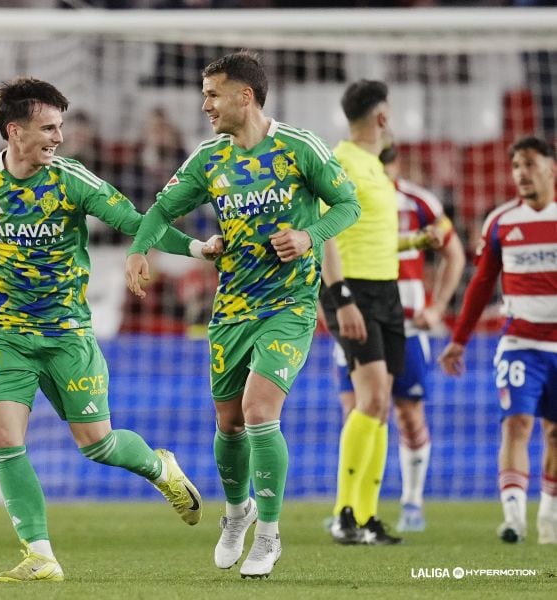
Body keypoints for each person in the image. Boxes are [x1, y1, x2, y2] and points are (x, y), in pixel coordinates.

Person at [0, 77, 215, 583]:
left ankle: (161, 468)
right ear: (15, 131)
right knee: (3, 434)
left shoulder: (72, 180)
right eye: (48, 127)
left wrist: (198, 250)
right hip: (7, 334)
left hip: (67, 332)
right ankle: (40, 553)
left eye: (60, 126)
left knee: (97, 443)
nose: (59, 137)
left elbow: (136, 221)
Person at [125, 51, 361, 578]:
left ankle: (271, 534)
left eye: (212, 93)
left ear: (244, 96)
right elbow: (160, 212)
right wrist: (142, 250)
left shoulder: (300, 148)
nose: (205, 104)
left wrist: (309, 236)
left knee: (258, 411)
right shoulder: (208, 159)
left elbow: (348, 205)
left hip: (289, 305)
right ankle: (238, 514)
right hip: (232, 306)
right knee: (228, 424)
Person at [333, 145, 465, 534]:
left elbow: (453, 253)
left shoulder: (418, 201)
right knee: (356, 410)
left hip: (405, 323)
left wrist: (438, 306)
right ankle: (352, 509)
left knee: (406, 413)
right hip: (357, 315)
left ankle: (411, 501)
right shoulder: (345, 196)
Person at [439, 136, 557, 545]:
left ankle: (549, 516)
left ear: (551, 168)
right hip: (520, 342)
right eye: (516, 166)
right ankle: (512, 518)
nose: (521, 173)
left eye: (529, 164)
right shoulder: (501, 221)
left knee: (554, 432)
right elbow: (482, 283)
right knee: (517, 423)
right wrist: (459, 340)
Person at [320, 80, 405, 546]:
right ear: (383, 117)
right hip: (354, 292)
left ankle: (369, 517)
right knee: (369, 399)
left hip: (388, 292)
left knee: (381, 405)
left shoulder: (374, 164)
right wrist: (341, 297)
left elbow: (372, 233)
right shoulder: (340, 162)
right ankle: (344, 514)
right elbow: (325, 234)